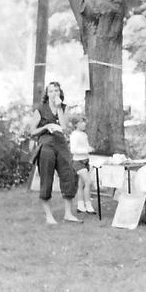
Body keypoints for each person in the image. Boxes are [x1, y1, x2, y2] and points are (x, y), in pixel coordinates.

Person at [29, 82, 81, 225]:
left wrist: (58, 107)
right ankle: (48, 215)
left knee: (69, 175)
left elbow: (63, 127)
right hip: (46, 145)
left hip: (61, 145)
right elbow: (32, 131)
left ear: (60, 92)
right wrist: (46, 126)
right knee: (47, 178)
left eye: (56, 90)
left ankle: (68, 213)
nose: (54, 93)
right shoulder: (40, 109)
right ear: (47, 93)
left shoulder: (63, 107)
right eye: (51, 91)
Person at [70, 116, 96, 214]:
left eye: (84, 122)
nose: (84, 124)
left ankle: (80, 206)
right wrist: (86, 150)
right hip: (78, 162)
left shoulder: (84, 135)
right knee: (88, 182)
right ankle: (88, 206)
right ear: (76, 124)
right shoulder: (74, 135)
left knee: (81, 184)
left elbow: (85, 146)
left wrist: (90, 148)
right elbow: (73, 150)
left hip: (86, 161)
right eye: (81, 122)